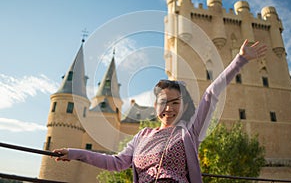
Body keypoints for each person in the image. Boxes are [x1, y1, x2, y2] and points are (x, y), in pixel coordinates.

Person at [54, 39, 267, 183]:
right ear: (155, 105)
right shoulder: (141, 136)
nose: (169, 108)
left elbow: (211, 94)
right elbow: (115, 163)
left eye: (176, 102)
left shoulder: (189, 133)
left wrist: (240, 60)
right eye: (164, 102)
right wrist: (74, 153)